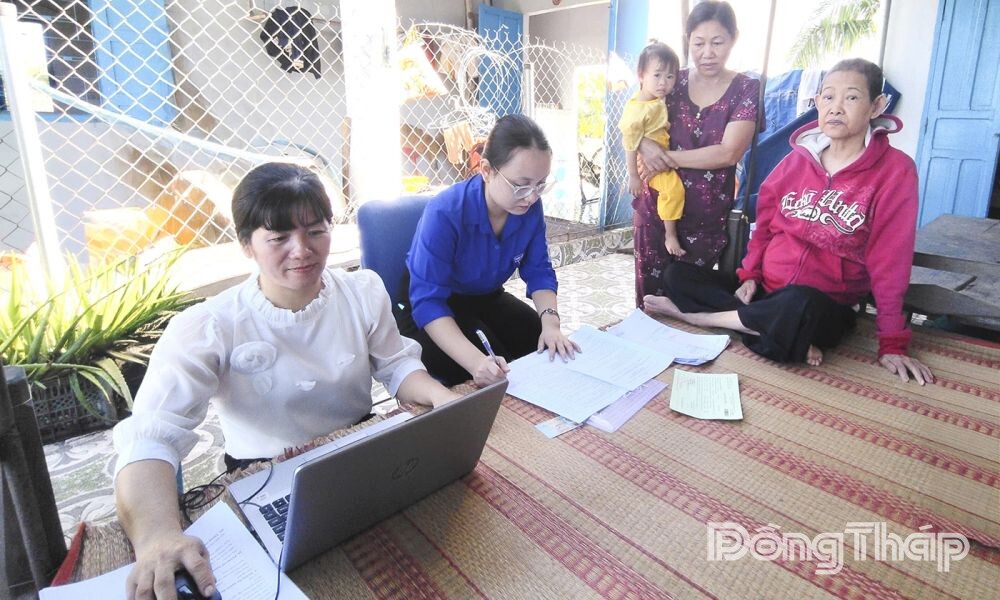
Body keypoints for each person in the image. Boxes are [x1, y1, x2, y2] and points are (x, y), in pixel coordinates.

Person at [113, 163, 459, 600]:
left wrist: (441, 397)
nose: (302, 251)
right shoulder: (211, 325)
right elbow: (151, 436)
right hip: (265, 475)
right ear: (246, 244)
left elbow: (396, 367)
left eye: (316, 231)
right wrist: (157, 536)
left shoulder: (361, 292)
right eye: (279, 238)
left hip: (359, 455)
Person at [645, 59, 935, 386]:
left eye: (851, 97)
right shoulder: (796, 161)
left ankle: (698, 318)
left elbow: (890, 259)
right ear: (818, 102)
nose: (836, 107)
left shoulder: (895, 171)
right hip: (768, 293)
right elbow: (765, 228)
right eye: (828, 97)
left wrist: (892, 342)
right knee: (677, 275)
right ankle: (769, 328)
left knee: (799, 304)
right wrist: (750, 276)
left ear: (876, 106)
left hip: (822, 306)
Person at [396, 114, 579, 387]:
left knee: (542, 347)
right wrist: (475, 363)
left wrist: (551, 323)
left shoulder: (528, 207)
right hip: (430, 307)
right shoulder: (446, 212)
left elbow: (539, 270)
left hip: (484, 297)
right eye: (520, 185)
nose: (531, 196)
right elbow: (428, 301)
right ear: (486, 170)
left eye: (540, 184)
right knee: (498, 371)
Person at [632, 0, 759, 306]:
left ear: (734, 39)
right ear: (688, 40)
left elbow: (728, 153)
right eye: (698, 43)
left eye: (717, 42)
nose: (707, 52)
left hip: (705, 217)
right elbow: (634, 118)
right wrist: (645, 144)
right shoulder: (671, 80)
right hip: (655, 208)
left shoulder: (746, 89)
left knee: (687, 302)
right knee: (649, 302)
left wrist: (665, 159)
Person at [618, 42, 686, 258]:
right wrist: (633, 176)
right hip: (650, 163)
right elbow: (630, 144)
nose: (663, 82)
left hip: (658, 156)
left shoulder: (654, 100)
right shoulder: (636, 111)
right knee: (674, 190)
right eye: (657, 75)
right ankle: (670, 235)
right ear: (641, 75)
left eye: (670, 76)